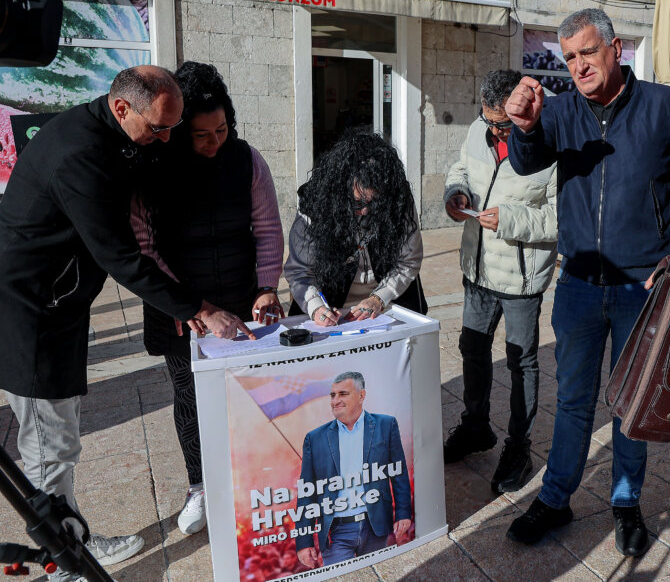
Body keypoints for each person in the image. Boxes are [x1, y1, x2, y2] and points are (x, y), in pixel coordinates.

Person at [0, 66, 252, 581]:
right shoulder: (79, 155)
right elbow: (121, 256)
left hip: (58, 305)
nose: (166, 140)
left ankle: (73, 537)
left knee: (59, 436)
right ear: (122, 108)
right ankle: (65, 564)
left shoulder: (106, 132)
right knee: (49, 445)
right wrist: (197, 308)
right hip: (32, 315)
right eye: (160, 130)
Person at [503, 8, 670, 556]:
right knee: (574, 400)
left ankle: (626, 502)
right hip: (577, 284)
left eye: (587, 52)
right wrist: (524, 126)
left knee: (632, 404)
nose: (578, 66)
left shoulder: (664, 104)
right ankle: (556, 498)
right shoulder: (560, 112)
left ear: (615, 48)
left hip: (642, 290)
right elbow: (527, 163)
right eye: (569, 57)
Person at [132, 61, 284, 537]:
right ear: (176, 131)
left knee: (251, 393)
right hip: (181, 308)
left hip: (241, 297)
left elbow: (267, 227)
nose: (214, 142)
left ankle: (255, 479)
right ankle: (200, 486)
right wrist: (187, 307)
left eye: (221, 129)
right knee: (189, 398)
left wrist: (266, 286)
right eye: (201, 134)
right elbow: (143, 246)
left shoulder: (247, 160)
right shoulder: (152, 169)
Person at [441, 69, 557, 493]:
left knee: (521, 361)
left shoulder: (550, 143)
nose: (493, 130)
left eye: (501, 124)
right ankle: (475, 427)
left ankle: (519, 446)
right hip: (478, 265)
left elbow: (559, 218)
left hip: (522, 276)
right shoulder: (479, 127)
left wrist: (508, 219)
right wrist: (456, 194)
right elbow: (462, 167)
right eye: (487, 120)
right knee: (472, 348)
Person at [285, 133, 425, 323]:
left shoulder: (398, 198)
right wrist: (316, 307)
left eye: (375, 203)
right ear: (341, 187)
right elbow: (300, 272)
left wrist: (378, 298)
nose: (365, 211)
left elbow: (408, 262)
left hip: (390, 301)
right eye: (357, 202)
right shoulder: (314, 204)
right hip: (331, 307)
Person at [295, 371, 412, 567]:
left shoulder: (386, 425)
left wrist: (403, 513)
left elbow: (398, 473)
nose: (335, 401)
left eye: (343, 394)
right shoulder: (315, 439)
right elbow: (307, 492)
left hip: (377, 526)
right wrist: (304, 541)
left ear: (361, 395)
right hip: (336, 532)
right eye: (332, 395)